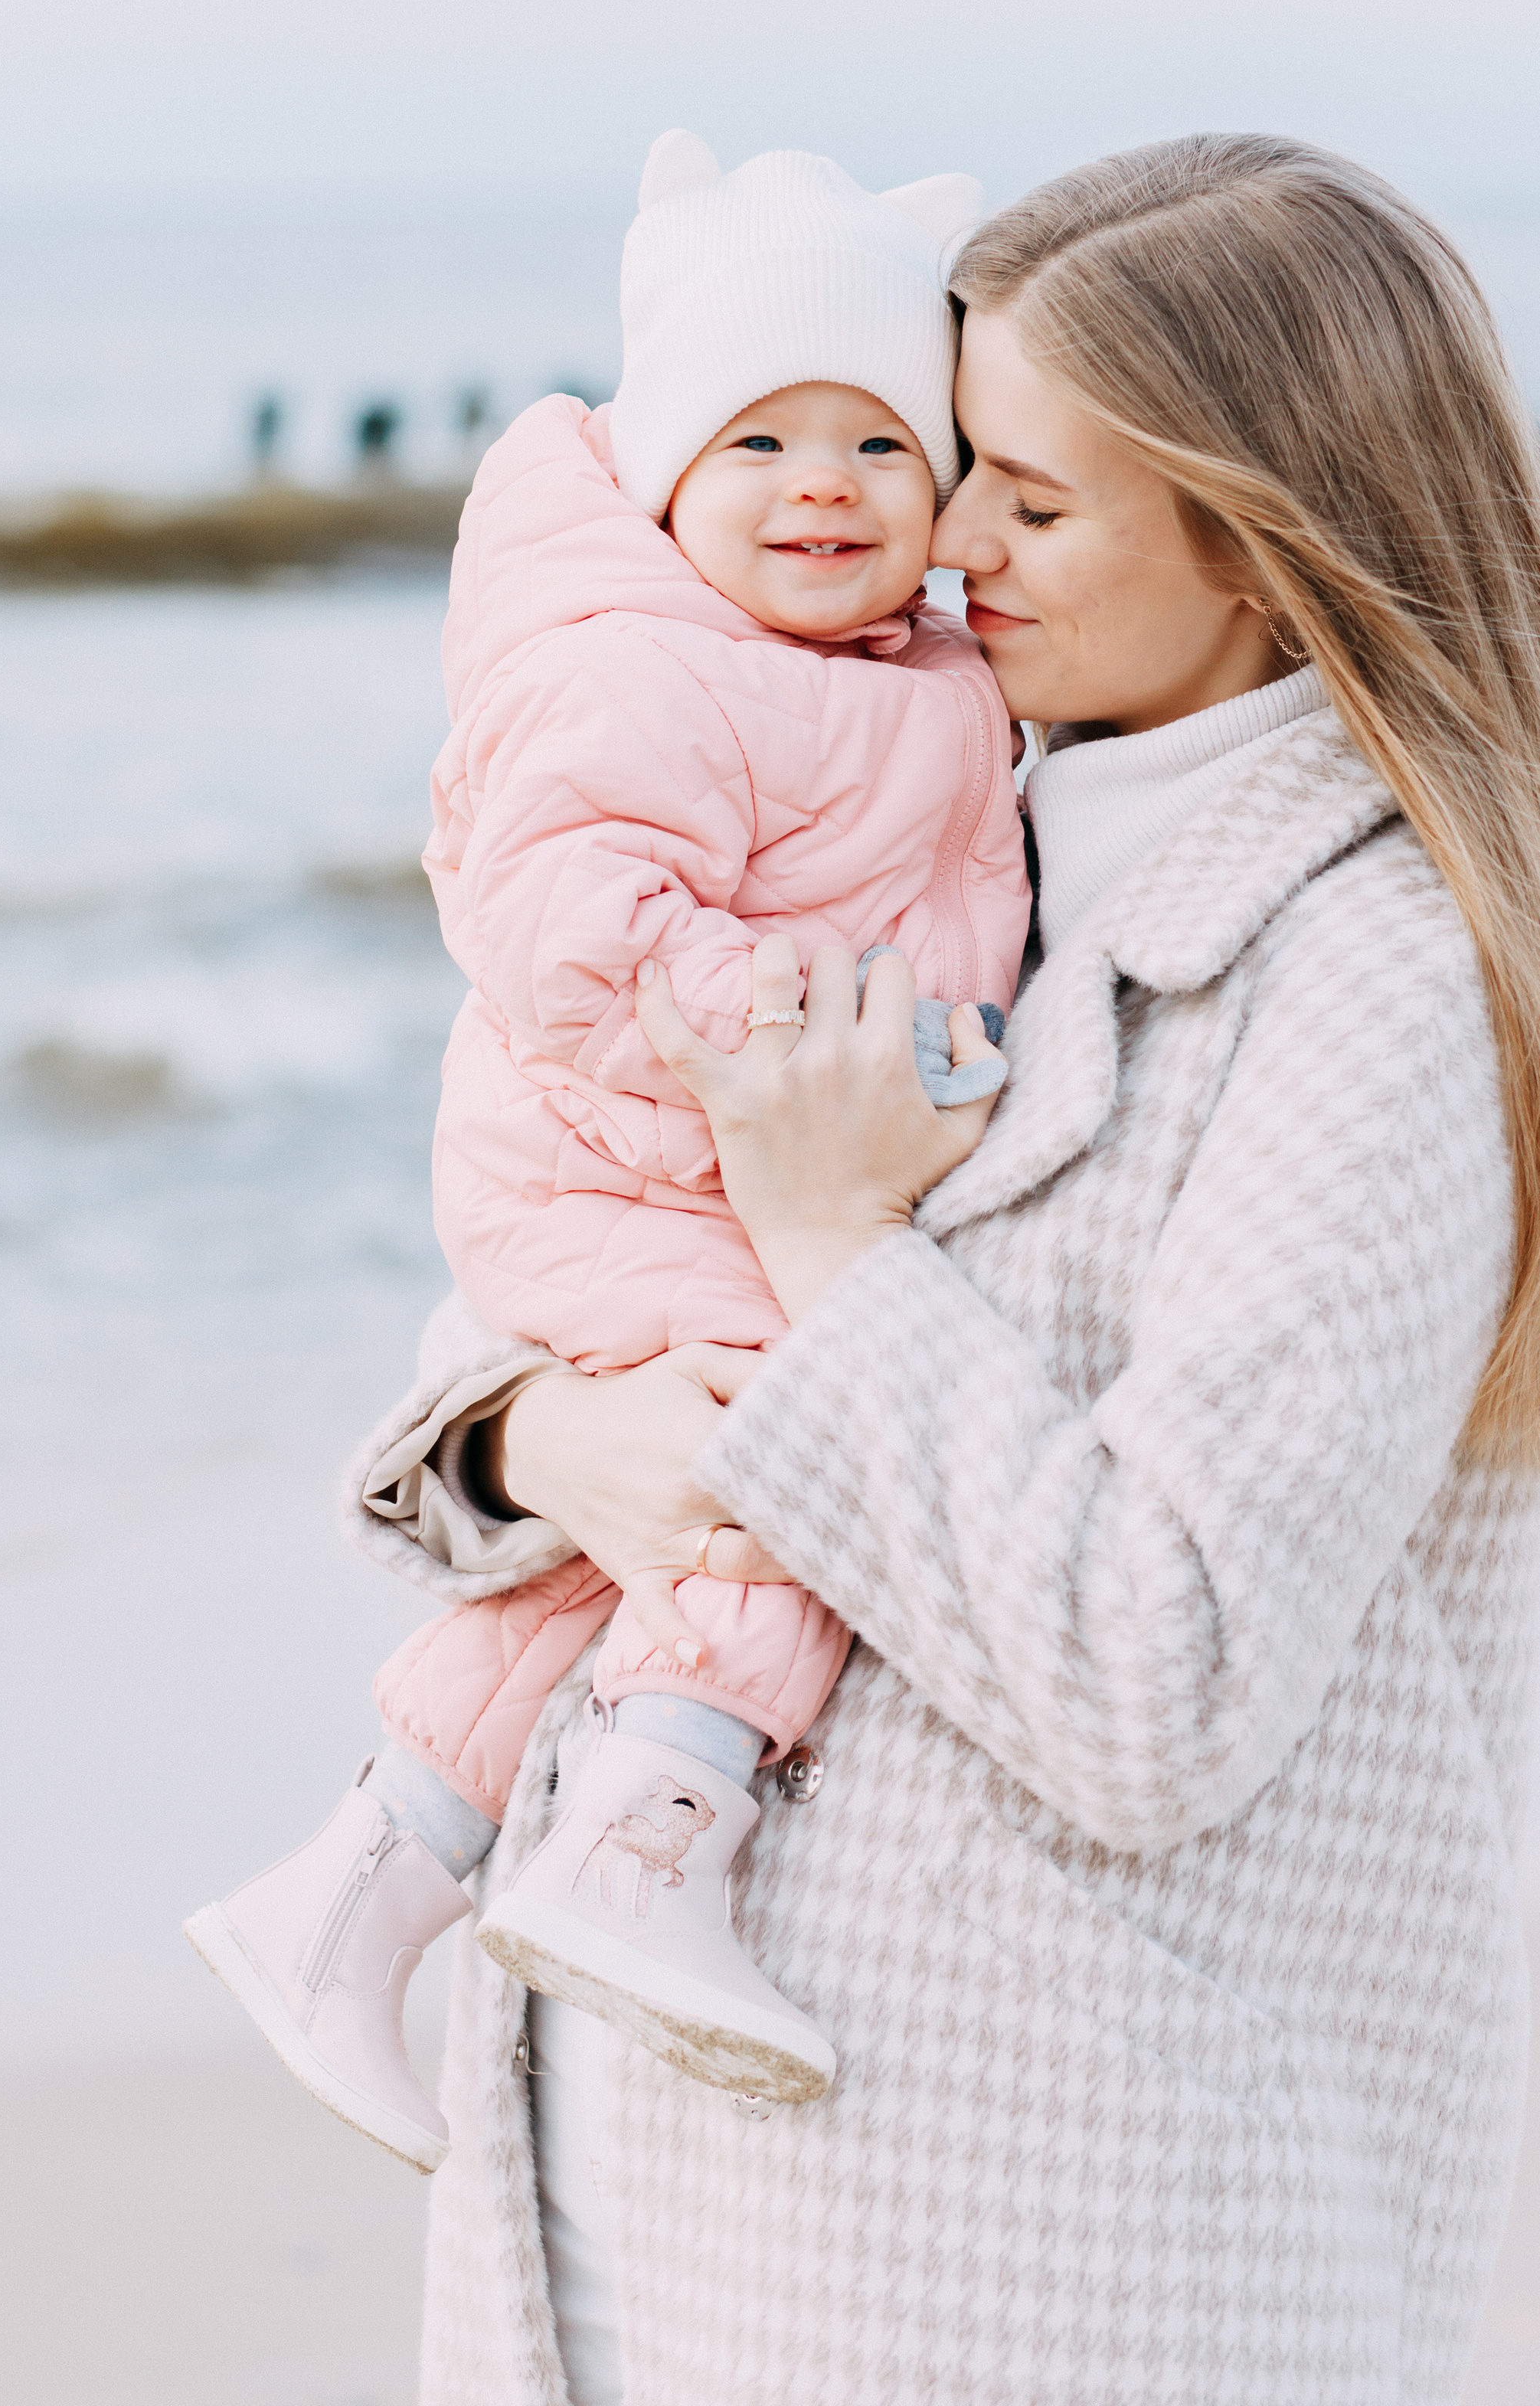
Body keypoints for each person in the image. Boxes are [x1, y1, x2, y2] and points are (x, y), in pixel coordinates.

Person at [345, 134, 1540, 2406]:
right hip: (672, 2197)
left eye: (1035, 501)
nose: (947, 542)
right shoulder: (951, 827)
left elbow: (1151, 1678)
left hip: (1041, 2250)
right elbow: (593, 1259)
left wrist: (825, 1229)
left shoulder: (1376, 978)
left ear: (1268, 545)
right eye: (959, 459)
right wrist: (535, 1432)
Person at [185, 133, 1032, 2166]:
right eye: (756, 444)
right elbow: (568, 928)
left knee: (602, 1559)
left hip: (700, 1161)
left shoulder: (900, 673)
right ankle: (644, 1849)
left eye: (873, 446)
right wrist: (828, 1045)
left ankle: (361, 1885)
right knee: (777, 1467)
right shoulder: (647, 667)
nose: (820, 484)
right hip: (612, 1169)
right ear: (660, 479)